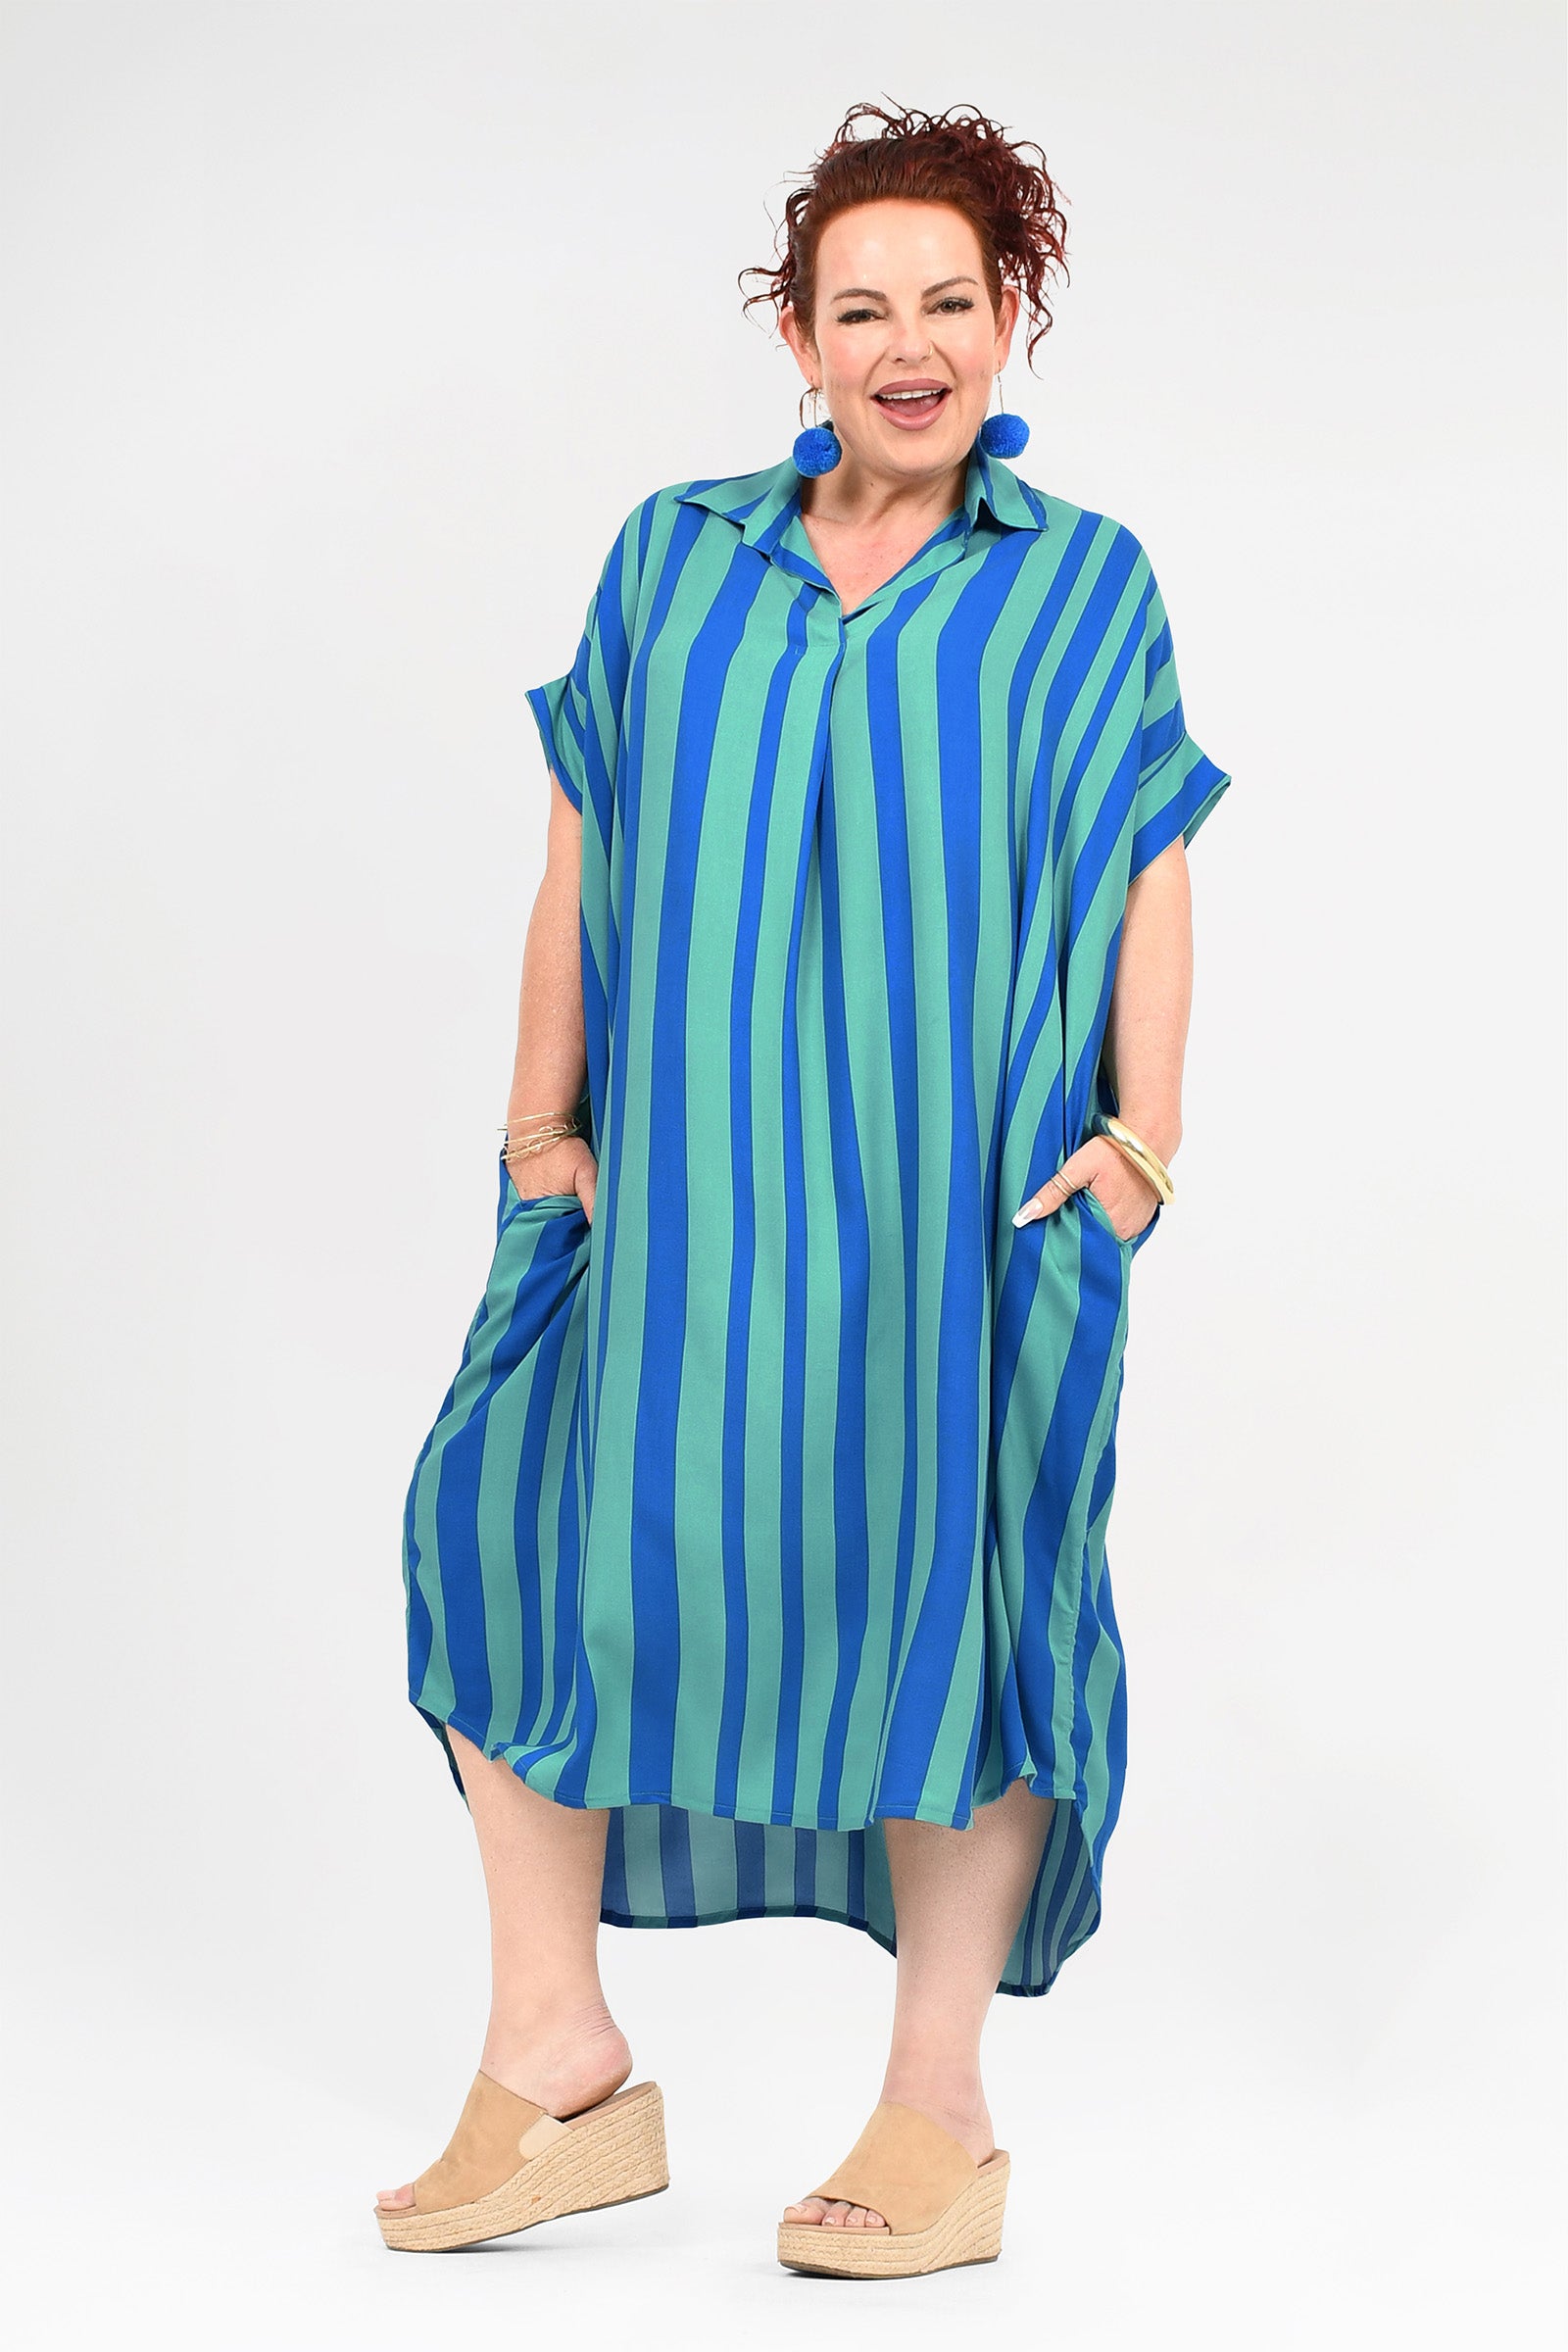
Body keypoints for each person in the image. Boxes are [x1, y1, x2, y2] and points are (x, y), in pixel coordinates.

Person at [376, 99, 1231, 2279]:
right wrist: (536, 1138)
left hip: (962, 1216)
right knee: (500, 1538)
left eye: (948, 301)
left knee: (966, 1610)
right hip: (672, 1215)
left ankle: (936, 2117)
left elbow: (1148, 857)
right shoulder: (674, 556)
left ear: (1009, 318)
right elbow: (581, 847)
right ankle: (555, 2052)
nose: (906, 344)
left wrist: (1141, 1144)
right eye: (862, 309)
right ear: (799, 336)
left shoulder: (1081, 583)